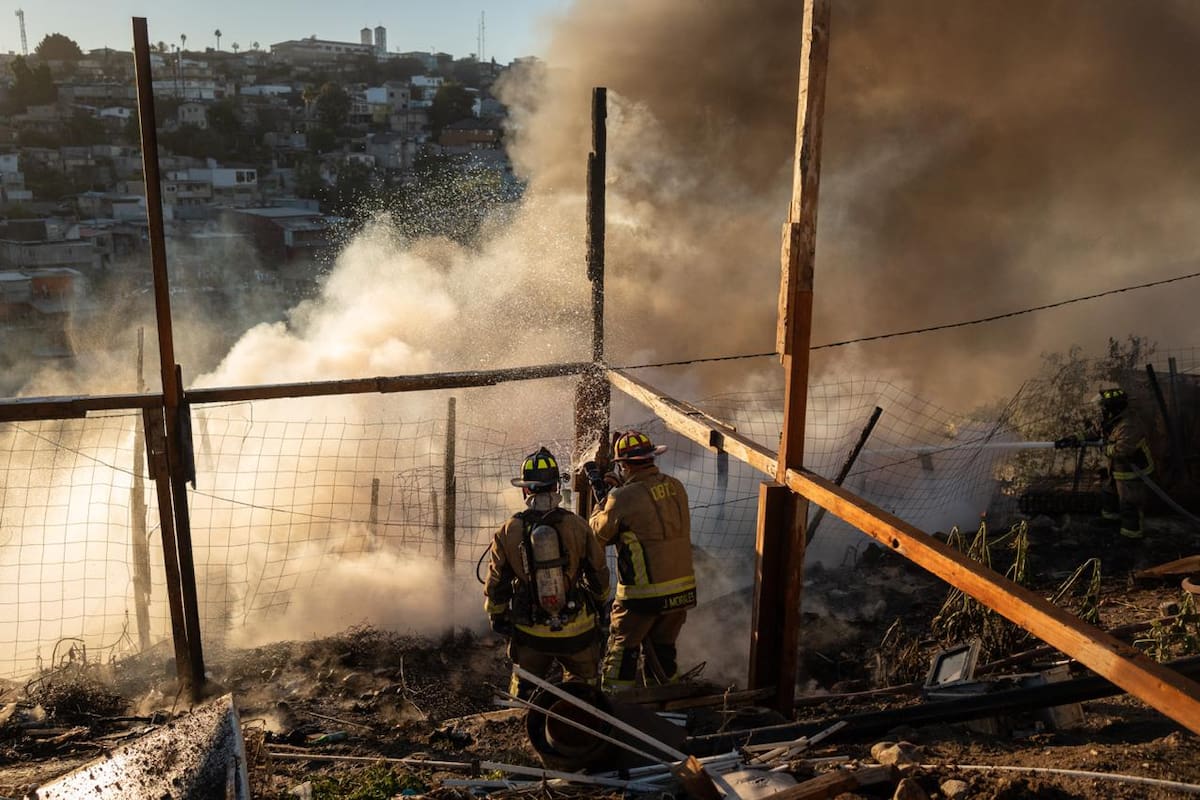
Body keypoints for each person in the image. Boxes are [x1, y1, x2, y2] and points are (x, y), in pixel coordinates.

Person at [483, 447, 611, 699]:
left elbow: (497, 582)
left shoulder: (509, 530)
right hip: (578, 630)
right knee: (585, 691)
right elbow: (598, 573)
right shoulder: (577, 525)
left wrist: (497, 616)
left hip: (531, 633)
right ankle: (582, 728)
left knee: (524, 690)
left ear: (525, 490)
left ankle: (518, 724)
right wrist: (600, 605)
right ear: (555, 487)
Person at [589, 430, 696, 692]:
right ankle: (667, 708)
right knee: (662, 655)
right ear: (651, 458)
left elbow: (596, 535)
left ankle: (616, 709)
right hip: (682, 592)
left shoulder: (621, 498)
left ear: (623, 465)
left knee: (621, 655)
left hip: (641, 597)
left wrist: (603, 500)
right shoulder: (675, 486)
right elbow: (646, 519)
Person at [1056, 387, 1154, 539]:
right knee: (1109, 494)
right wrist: (1074, 438)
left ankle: (1132, 535)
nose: (1101, 410)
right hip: (1115, 467)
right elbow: (1094, 432)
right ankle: (1111, 520)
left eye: (1103, 407)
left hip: (1131, 470)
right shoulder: (1110, 419)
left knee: (1129, 503)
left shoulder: (1129, 425)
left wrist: (1102, 447)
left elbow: (1122, 450)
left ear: (1113, 407)